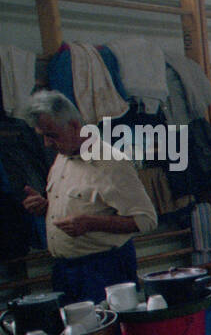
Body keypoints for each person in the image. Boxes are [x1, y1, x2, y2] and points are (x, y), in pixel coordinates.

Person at [18, 90, 158, 305]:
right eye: (43, 136)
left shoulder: (111, 163)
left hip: (104, 270)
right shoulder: (63, 157)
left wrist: (90, 223)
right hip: (65, 271)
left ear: (74, 126)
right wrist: (46, 207)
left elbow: (147, 220)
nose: (46, 143)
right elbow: (85, 204)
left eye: (52, 135)